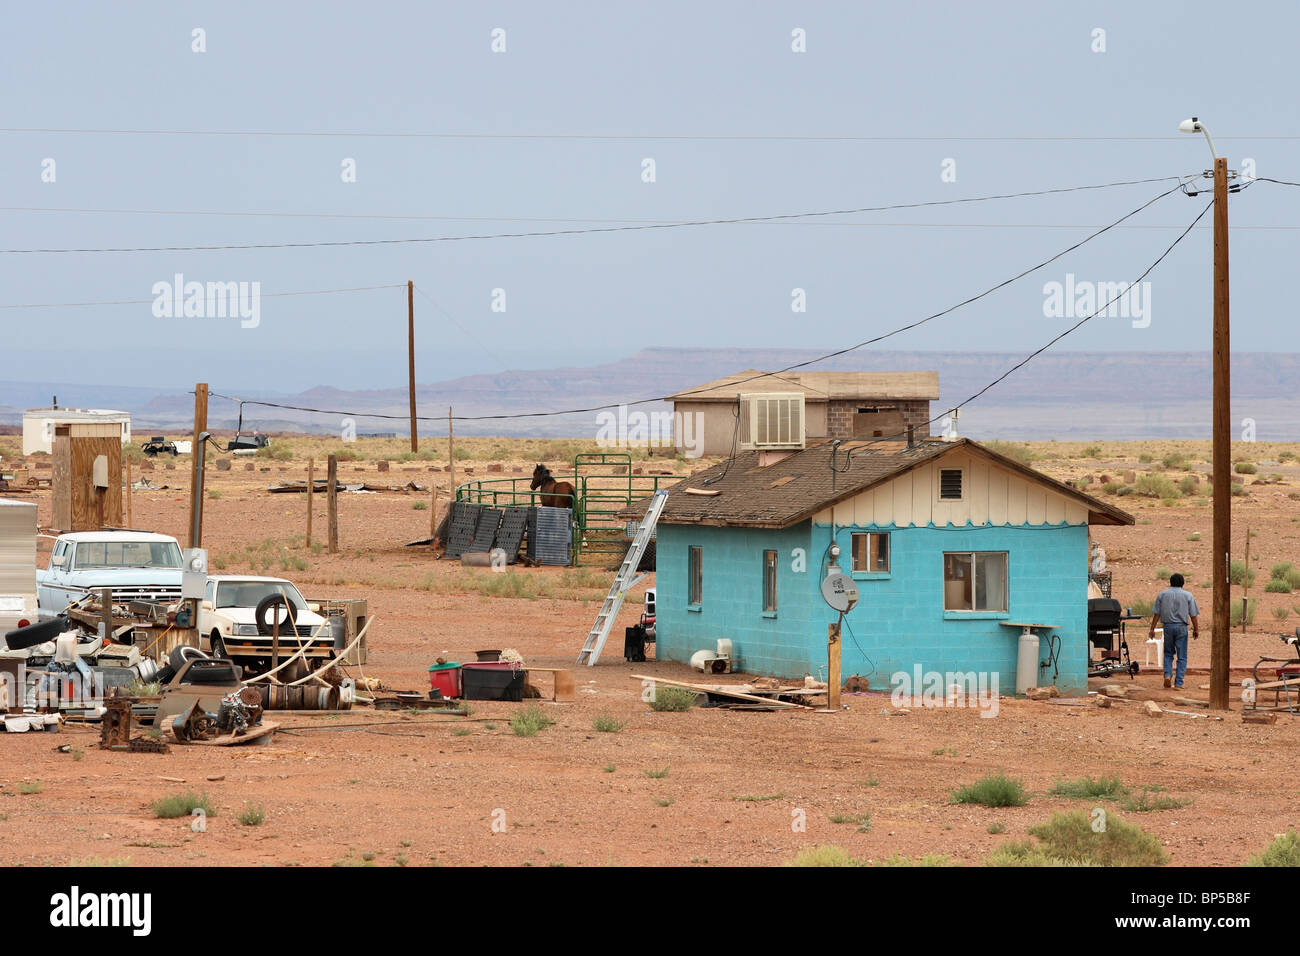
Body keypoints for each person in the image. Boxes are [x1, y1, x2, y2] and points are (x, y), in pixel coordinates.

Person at [1149, 573, 1200, 689]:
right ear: (1183, 583)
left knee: (1168, 653)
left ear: (1170, 582)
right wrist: (1196, 629)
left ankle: (1167, 675)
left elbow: (1156, 613)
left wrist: (1152, 629)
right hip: (1181, 627)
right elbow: (1193, 615)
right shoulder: (1188, 595)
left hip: (1167, 627)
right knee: (1182, 656)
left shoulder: (1162, 595)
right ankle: (1178, 682)